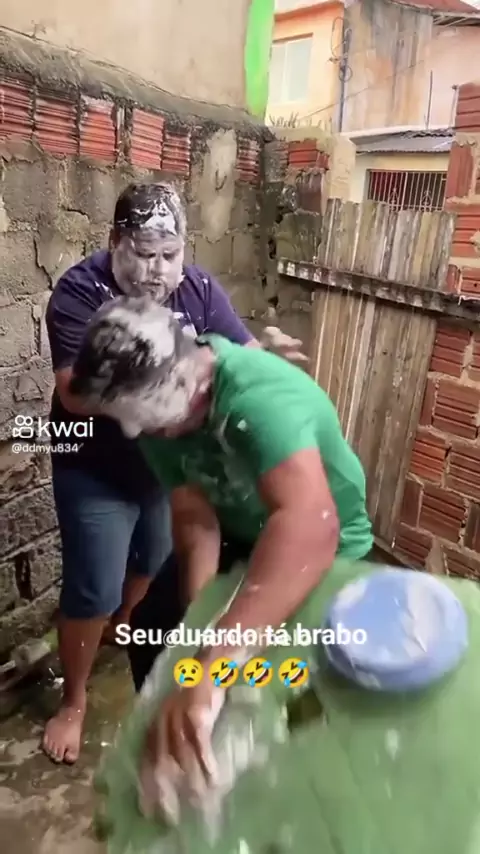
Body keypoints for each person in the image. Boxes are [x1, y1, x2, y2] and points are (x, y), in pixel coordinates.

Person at [67, 294, 373, 804]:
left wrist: (217, 662)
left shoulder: (260, 398)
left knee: (297, 673)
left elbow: (309, 526)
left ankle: (290, 784)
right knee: (154, 632)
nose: (135, 431)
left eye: (144, 420)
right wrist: (202, 623)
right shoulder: (154, 411)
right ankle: (183, 746)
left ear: (189, 384)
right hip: (240, 530)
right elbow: (193, 516)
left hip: (326, 541)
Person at [43, 181, 304, 765]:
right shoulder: (80, 291)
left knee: (150, 564)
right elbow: (75, 395)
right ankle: (75, 701)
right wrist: (166, 374)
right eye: (144, 253)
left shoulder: (198, 289)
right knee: (94, 586)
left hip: (168, 470)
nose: (157, 270)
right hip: (93, 464)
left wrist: (265, 357)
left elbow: (238, 355)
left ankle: (124, 628)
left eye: (170, 254)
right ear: (115, 242)